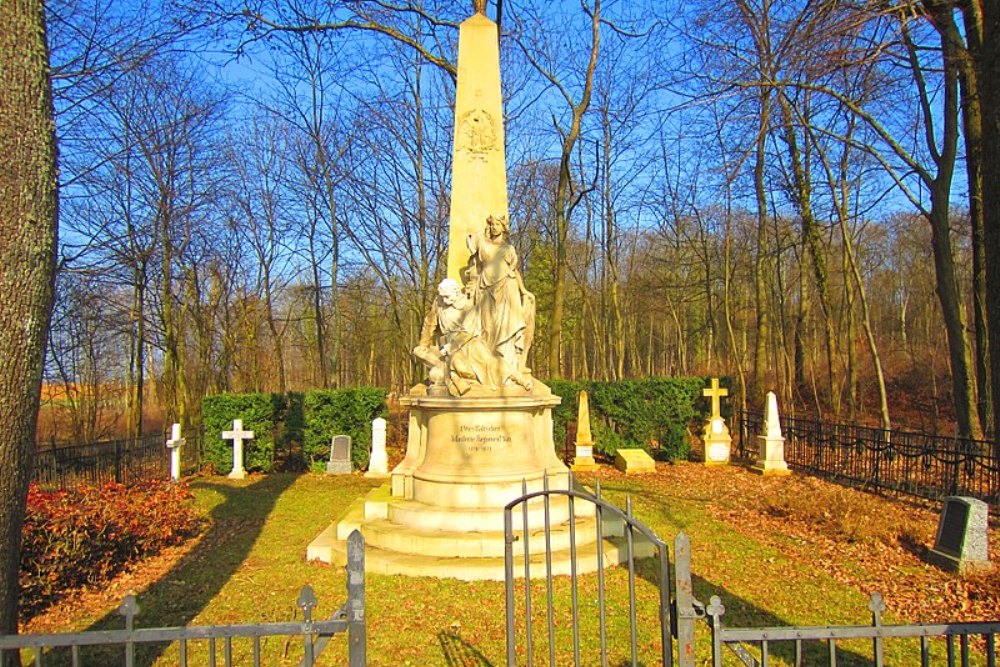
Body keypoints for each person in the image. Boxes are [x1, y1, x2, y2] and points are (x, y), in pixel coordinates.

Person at [466, 215, 535, 389]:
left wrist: (524, 290)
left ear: (504, 228)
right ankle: (489, 369)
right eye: (492, 224)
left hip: (507, 289)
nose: (495, 227)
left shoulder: (509, 248)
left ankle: (508, 369)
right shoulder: (483, 244)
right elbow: (474, 257)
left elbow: (515, 271)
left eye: (498, 224)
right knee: (487, 329)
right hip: (485, 290)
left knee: (505, 330)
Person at [413, 279, 499, 396]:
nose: (444, 300)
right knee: (418, 351)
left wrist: (451, 347)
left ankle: (448, 373)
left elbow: (469, 331)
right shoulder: (439, 302)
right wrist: (424, 345)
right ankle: (443, 369)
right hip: (444, 346)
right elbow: (429, 324)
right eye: (442, 296)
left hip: (466, 344)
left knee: (460, 364)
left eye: (447, 296)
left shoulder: (467, 305)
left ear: (456, 292)